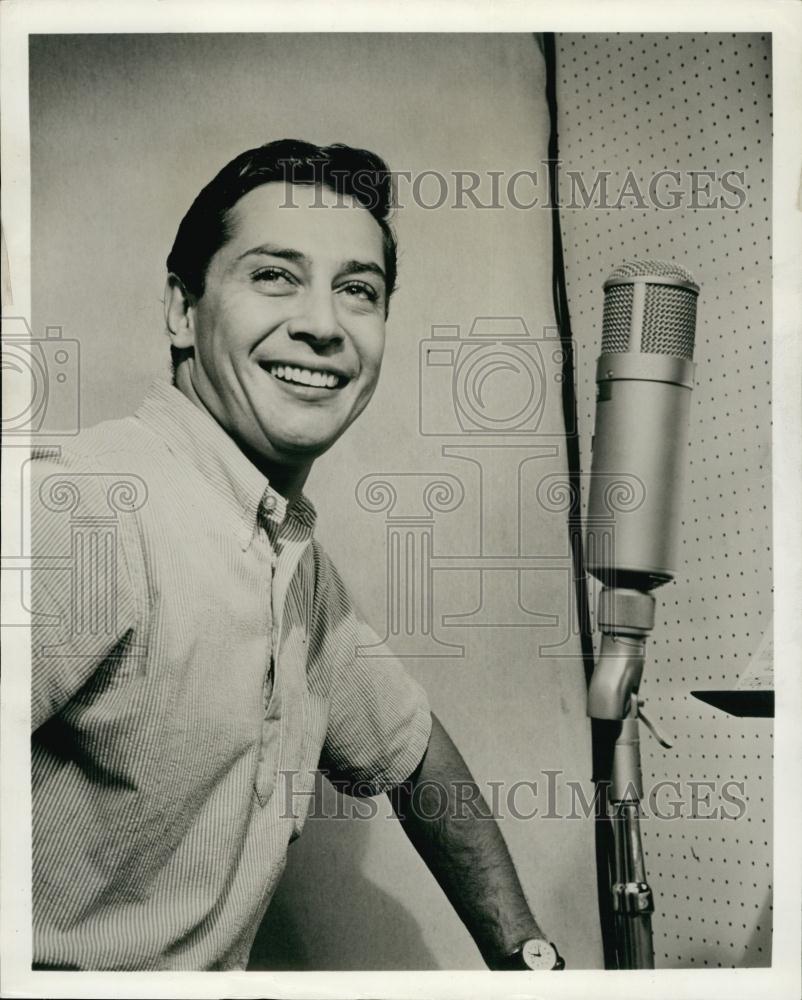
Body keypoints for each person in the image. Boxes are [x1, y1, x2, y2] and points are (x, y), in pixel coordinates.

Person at [30, 139, 564, 972]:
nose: (322, 324)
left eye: (359, 290)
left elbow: (413, 748)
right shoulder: (87, 506)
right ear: (182, 309)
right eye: (274, 275)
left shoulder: (291, 563)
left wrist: (527, 960)